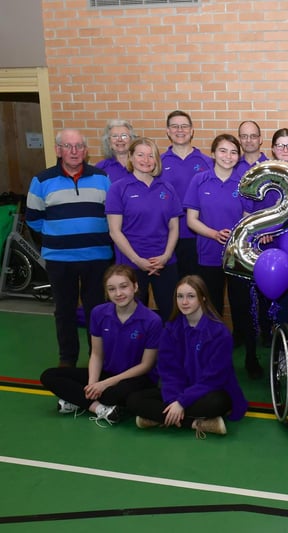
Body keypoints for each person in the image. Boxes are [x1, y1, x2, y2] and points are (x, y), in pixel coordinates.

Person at [26, 128, 113, 367]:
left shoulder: (102, 178)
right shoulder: (41, 180)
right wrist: (59, 235)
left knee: (96, 311)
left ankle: (99, 359)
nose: (74, 151)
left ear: (86, 151)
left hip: (97, 257)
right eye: (68, 146)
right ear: (58, 150)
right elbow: (33, 219)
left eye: (79, 146)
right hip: (59, 259)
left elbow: (112, 215)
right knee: (64, 311)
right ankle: (67, 359)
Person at [126, 275, 248, 438]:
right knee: (133, 400)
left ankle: (159, 418)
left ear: (203, 298)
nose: (184, 302)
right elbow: (169, 372)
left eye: (191, 296)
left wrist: (182, 403)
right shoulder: (171, 329)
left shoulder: (219, 333)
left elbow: (213, 378)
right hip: (181, 390)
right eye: (180, 296)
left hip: (212, 391)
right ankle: (195, 423)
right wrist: (174, 401)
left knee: (216, 403)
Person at [40, 264, 161, 425]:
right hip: (108, 372)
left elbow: (146, 365)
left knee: (112, 394)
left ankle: (77, 400)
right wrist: (92, 384)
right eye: (112, 289)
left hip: (137, 378)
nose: (118, 293)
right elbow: (97, 354)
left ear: (135, 286)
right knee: (49, 375)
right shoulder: (99, 313)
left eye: (123, 287)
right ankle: (99, 408)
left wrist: (104, 384)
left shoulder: (152, 320)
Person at [184, 134, 263, 380]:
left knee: (242, 309)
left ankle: (251, 359)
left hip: (237, 257)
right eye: (223, 151)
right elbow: (191, 220)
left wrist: (237, 235)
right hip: (208, 257)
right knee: (212, 310)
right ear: (214, 153)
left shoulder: (243, 183)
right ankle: (213, 361)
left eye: (232, 152)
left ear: (238, 156)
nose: (228, 156)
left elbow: (248, 219)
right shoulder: (199, 180)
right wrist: (213, 233)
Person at [106, 137, 181, 322]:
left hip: (164, 263)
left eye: (150, 156)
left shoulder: (167, 187)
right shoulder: (118, 189)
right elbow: (115, 231)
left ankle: (168, 351)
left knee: (171, 315)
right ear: (131, 157)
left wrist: (165, 256)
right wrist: (138, 260)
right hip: (131, 265)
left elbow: (174, 227)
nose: (146, 160)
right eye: (140, 155)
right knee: (133, 318)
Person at [160, 110, 213, 279]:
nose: (180, 130)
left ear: (192, 131)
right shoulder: (158, 163)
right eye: (175, 126)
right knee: (174, 289)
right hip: (167, 236)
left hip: (198, 236)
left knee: (198, 287)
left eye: (184, 126)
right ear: (168, 131)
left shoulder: (207, 162)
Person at [96, 119, 137, 183]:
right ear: (108, 141)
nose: (120, 139)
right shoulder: (101, 167)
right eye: (115, 136)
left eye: (124, 136)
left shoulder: (141, 164)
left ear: (132, 140)